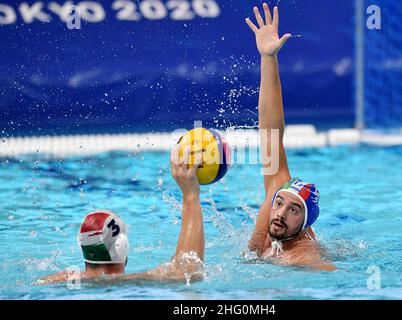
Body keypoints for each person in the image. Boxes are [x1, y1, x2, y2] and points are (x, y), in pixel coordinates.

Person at [245, 3, 336, 271]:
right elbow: (271, 131)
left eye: (294, 210)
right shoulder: (274, 197)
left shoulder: (304, 258)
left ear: (305, 224)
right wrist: (268, 58)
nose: (280, 213)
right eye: (281, 203)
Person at [39, 146, 206, 284]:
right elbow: (189, 270)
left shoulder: (55, 281)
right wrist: (191, 195)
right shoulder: (130, 283)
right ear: (122, 246)